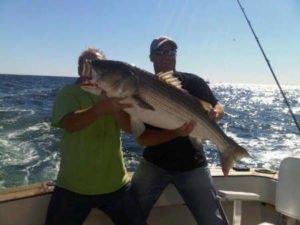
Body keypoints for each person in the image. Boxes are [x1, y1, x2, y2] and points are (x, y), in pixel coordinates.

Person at [45, 47, 147, 225]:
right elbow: (70, 125)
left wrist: (114, 104)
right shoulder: (68, 93)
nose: (92, 69)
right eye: (86, 64)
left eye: (100, 65)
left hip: (117, 185)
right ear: (79, 70)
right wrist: (100, 109)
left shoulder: (116, 94)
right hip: (72, 186)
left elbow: (128, 128)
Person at [132, 36, 227, 225]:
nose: (166, 56)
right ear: (151, 57)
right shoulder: (140, 87)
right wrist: (176, 132)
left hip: (193, 165)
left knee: (212, 220)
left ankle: (229, 151)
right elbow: (142, 138)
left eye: (171, 51)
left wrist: (216, 112)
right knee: (130, 214)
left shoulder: (194, 82)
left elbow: (218, 105)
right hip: (154, 163)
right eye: (160, 52)